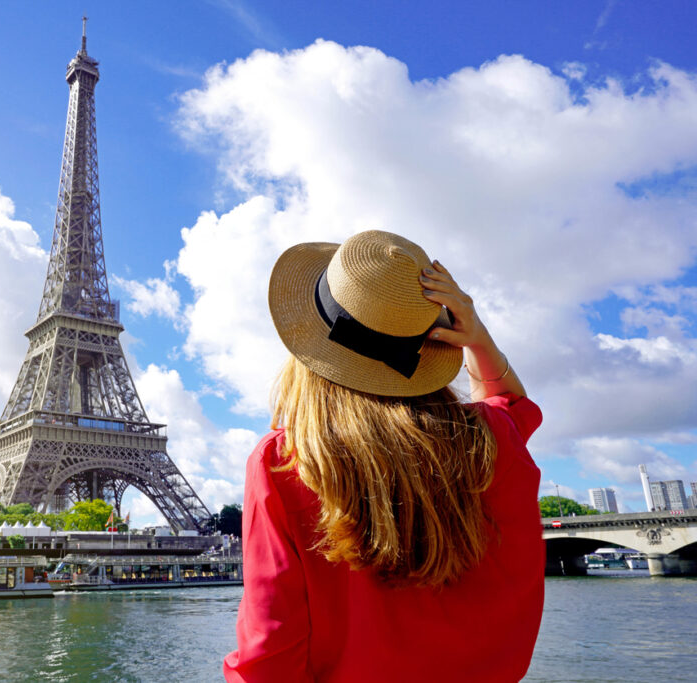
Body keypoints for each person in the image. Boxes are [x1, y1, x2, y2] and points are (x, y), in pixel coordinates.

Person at [224, 230, 544, 682]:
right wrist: (478, 339)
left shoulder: (286, 462)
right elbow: (513, 405)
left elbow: (269, 654)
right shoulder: (490, 439)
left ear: (310, 345)